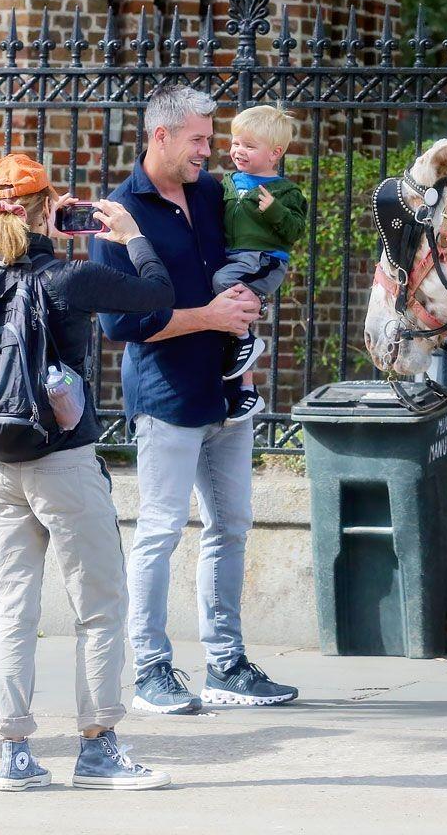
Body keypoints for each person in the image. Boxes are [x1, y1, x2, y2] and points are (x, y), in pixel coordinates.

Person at [0, 152, 174, 791]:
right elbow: (158, 298)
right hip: (62, 462)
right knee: (101, 608)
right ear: (47, 207)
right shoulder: (69, 280)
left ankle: (15, 756)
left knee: (12, 611)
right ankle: (99, 747)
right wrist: (128, 235)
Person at [89, 85, 300, 713]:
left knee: (230, 528)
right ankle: (151, 670)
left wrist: (250, 298)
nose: (210, 151)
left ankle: (226, 665)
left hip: (229, 391)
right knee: (158, 533)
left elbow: (259, 252)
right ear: (161, 136)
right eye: (199, 140)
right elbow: (118, 325)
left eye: (212, 139)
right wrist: (208, 316)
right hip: (167, 395)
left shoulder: (214, 193)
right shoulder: (120, 213)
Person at [213, 104, 308, 421]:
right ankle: (248, 393)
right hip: (236, 260)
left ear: (274, 154)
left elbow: (295, 231)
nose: (238, 151)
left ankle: (246, 341)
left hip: (265, 260)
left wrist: (274, 209)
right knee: (234, 318)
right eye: (236, 142)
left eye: (249, 146)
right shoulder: (229, 183)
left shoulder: (285, 191)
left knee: (222, 286)